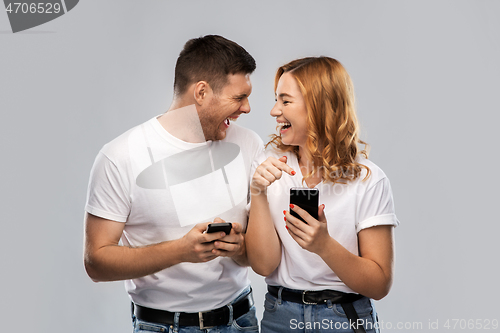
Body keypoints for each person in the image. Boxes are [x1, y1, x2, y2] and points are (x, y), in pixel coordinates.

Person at [84, 35, 263, 333]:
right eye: (238, 98)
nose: (247, 109)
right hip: (164, 327)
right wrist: (181, 251)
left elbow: (258, 255)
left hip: (241, 321)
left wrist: (239, 246)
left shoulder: (249, 145)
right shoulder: (120, 157)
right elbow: (96, 262)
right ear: (202, 92)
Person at [246, 57, 399, 333]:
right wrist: (257, 192)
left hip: (344, 318)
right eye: (275, 99)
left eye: (285, 101)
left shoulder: (369, 180)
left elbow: (379, 284)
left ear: (318, 106)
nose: (273, 111)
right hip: (280, 317)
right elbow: (263, 265)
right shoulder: (268, 165)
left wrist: (324, 245)